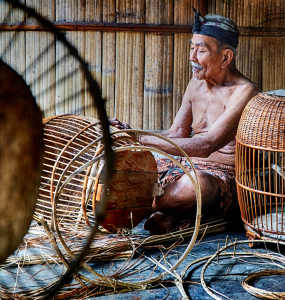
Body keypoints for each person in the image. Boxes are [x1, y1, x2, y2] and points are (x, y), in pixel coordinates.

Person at [110, 8, 260, 234]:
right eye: (192, 48)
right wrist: (130, 134)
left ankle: (132, 205)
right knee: (119, 165)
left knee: (196, 185)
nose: (192, 57)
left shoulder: (245, 92)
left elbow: (205, 145)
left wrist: (140, 138)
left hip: (219, 176)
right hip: (181, 164)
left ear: (226, 57)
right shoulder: (196, 84)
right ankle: (170, 212)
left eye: (200, 51)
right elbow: (176, 135)